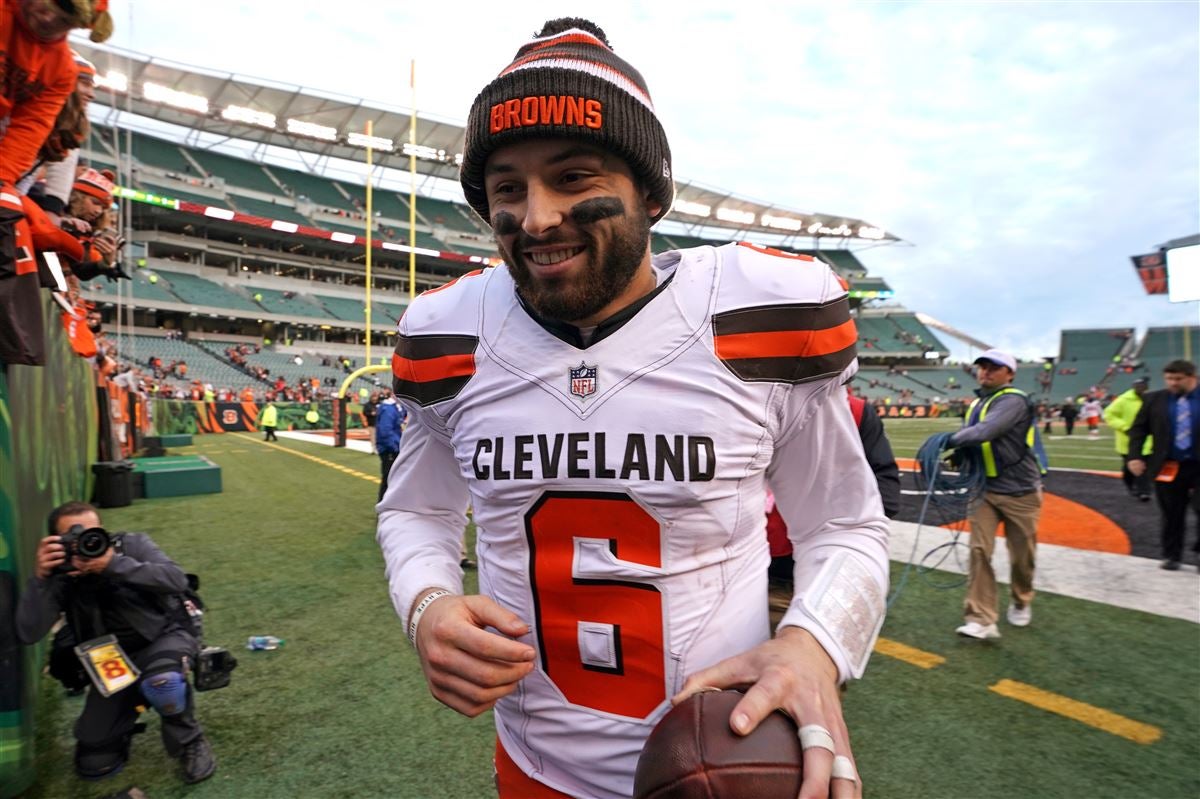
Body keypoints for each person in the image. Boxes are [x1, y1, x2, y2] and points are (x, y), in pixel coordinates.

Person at [376, 18, 889, 799]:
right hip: (535, 765)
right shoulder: (450, 332)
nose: (536, 216)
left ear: (650, 193)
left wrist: (814, 645)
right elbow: (416, 510)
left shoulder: (757, 311)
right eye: (507, 188)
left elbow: (844, 523)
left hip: (729, 762)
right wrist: (428, 603)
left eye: (574, 177)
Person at [15, 501, 216, 783]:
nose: (85, 543)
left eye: (92, 533)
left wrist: (112, 565)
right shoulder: (58, 575)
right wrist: (40, 580)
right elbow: (29, 632)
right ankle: (127, 716)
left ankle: (189, 739)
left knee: (163, 683)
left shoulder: (130, 546)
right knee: (94, 761)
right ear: (57, 543)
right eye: (73, 538)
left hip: (161, 638)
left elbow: (176, 579)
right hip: (107, 658)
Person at [949, 349, 1042, 639]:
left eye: (994, 367)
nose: (986, 372)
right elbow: (975, 441)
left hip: (1020, 491)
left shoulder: (1013, 399)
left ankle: (1021, 598)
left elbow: (987, 431)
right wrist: (960, 455)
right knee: (979, 551)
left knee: (1022, 557)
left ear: (1010, 374)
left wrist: (947, 440)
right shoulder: (978, 401)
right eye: (983, 367)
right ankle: (981, 618)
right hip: (984, 489)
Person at [1128, 360, 1200, 571]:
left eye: (1178, 379)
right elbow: (1138, 430)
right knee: (1171, 513)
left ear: (1192, 377)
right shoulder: (1154, 399)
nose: (1172, 383)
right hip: (1168, 465)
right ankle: (1171, 555)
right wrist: (1135, 456)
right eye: (1169, 378)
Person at [1103, 377, 1153, 501]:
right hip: (1127, 441)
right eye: (1137, 385)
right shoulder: (1123, 400)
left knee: (1144, 466)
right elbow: (1109, 415)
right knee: (1129, 467)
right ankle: (1131, 484)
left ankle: (1144, 491)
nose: (1139, 388)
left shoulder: (1151, 399)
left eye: (1142, 386)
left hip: (1147, 439)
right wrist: (1124, 427)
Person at [374, 390, 405, 502]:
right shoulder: (389, 409)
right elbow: (385, 431)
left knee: (394, 478)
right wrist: (395, 448)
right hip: (389, 450)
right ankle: (384, 507)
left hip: (392, 447)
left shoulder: (395, 407)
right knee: (388, 479)